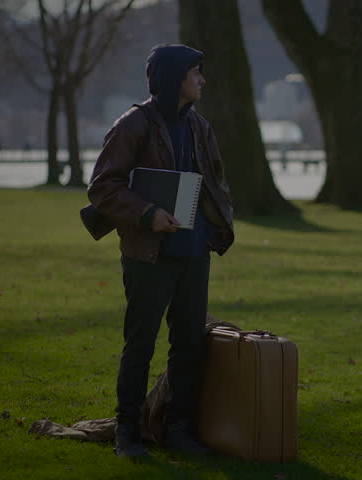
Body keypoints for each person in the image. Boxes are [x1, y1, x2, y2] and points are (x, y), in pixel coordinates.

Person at [87, 44, 235, 460]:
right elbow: (102, 186)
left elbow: (217, 182)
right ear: (174, 79)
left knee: (189, 343)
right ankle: (127, 434)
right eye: (195, 73)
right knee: (141, 343)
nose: (202, 80)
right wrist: (148, 213)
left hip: (193, 250)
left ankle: (178, 430)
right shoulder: (133, 124)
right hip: (147, 252)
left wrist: (214, 227)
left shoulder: (200, 127)